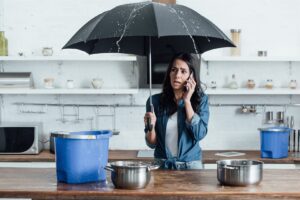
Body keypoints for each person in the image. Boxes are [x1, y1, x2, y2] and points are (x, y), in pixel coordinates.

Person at [144, 53, 209, 170]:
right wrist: (151, 127)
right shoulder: (154, 101)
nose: (177, 75)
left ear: (191, 77)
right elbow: (151, 143)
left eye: (183, 71)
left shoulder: (201, 100)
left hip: (191, 167)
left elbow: (199, 134)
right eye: (174, 70)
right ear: (169, 73)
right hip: (162, 166)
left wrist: (187, 101)